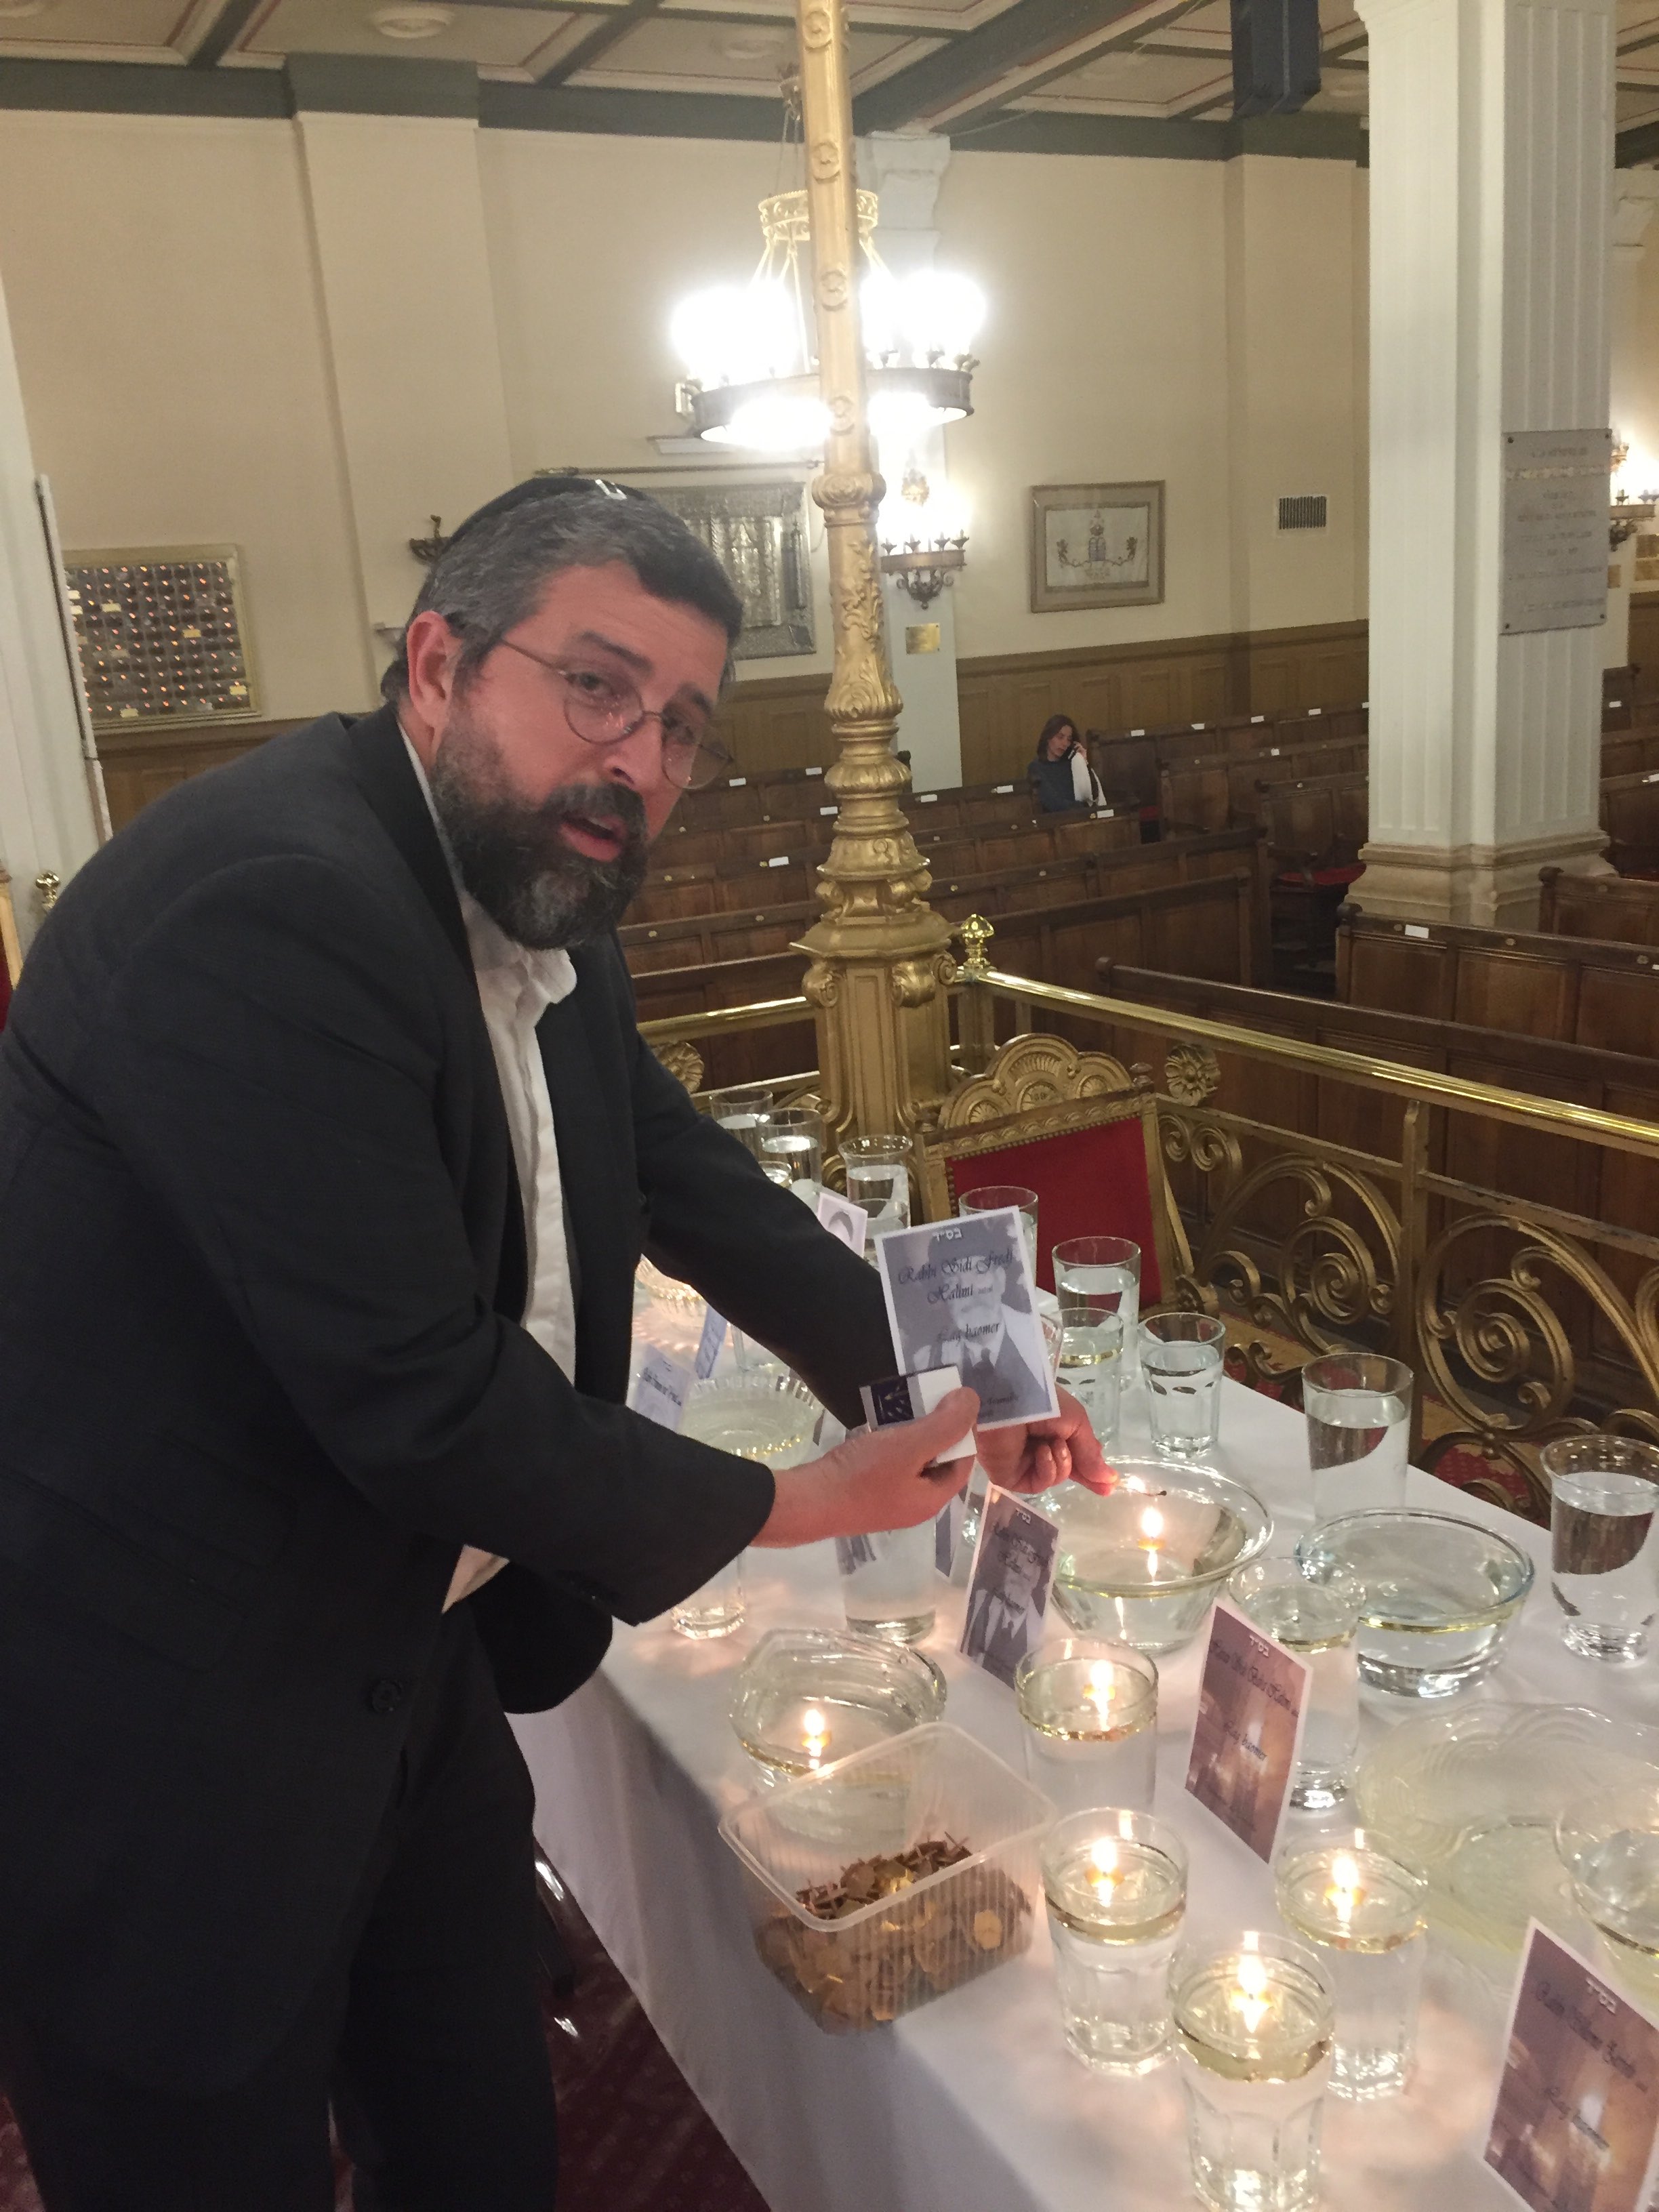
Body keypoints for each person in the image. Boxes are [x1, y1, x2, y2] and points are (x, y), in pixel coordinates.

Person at [0, 475, 1107, 2211]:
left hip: (403, 1647)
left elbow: (675, 1170)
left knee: (480, 2148)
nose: (639, 761)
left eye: (681, 727)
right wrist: (802, 1499)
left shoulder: (523, 886)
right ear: (439, 663)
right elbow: (425, 1402)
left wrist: (947, 1379)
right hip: (166, 1712)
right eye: (596, 688)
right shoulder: (272, 902)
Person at [922, 1218, 1048, 1425]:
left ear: (1000, 1280)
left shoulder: (1042, 1340)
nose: (967, 1289)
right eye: (952, 1280)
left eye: (978, 1271)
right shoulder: (927, 1362)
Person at [962, 1506, 1054, 1687]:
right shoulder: (979, 1603)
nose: (1017, 1565)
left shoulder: (1040, 1639)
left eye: (1029, 1558)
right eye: (1013, 1553)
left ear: (1038, 1575)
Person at [1027, 712, 1104, 813]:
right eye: (1060, 737)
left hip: (1082, 817)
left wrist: (1084, 763)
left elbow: (1093, 797)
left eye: (1069, 739)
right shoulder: (1036, 768)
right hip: (1058, 820)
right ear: (1048, 737)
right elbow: (1055, 804)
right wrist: (1085, 807)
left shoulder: (1072, 764)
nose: (1065, 743)